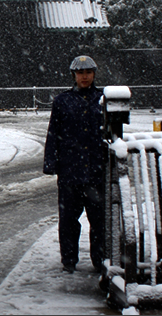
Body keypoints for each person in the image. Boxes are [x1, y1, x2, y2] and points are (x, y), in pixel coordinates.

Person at [43, 55, 108, 274]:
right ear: (74, 75)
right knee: (69, 220)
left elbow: (114, 134)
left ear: (94, 74)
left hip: (96, 172)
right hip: (70, 173)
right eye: (80, 73)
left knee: (99, 221)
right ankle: (69, 259)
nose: (85, 77)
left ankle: (100, 260)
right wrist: (51, 162)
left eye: (88, 72)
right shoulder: (62, 101)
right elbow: (54, 133)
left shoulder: (104, 99)